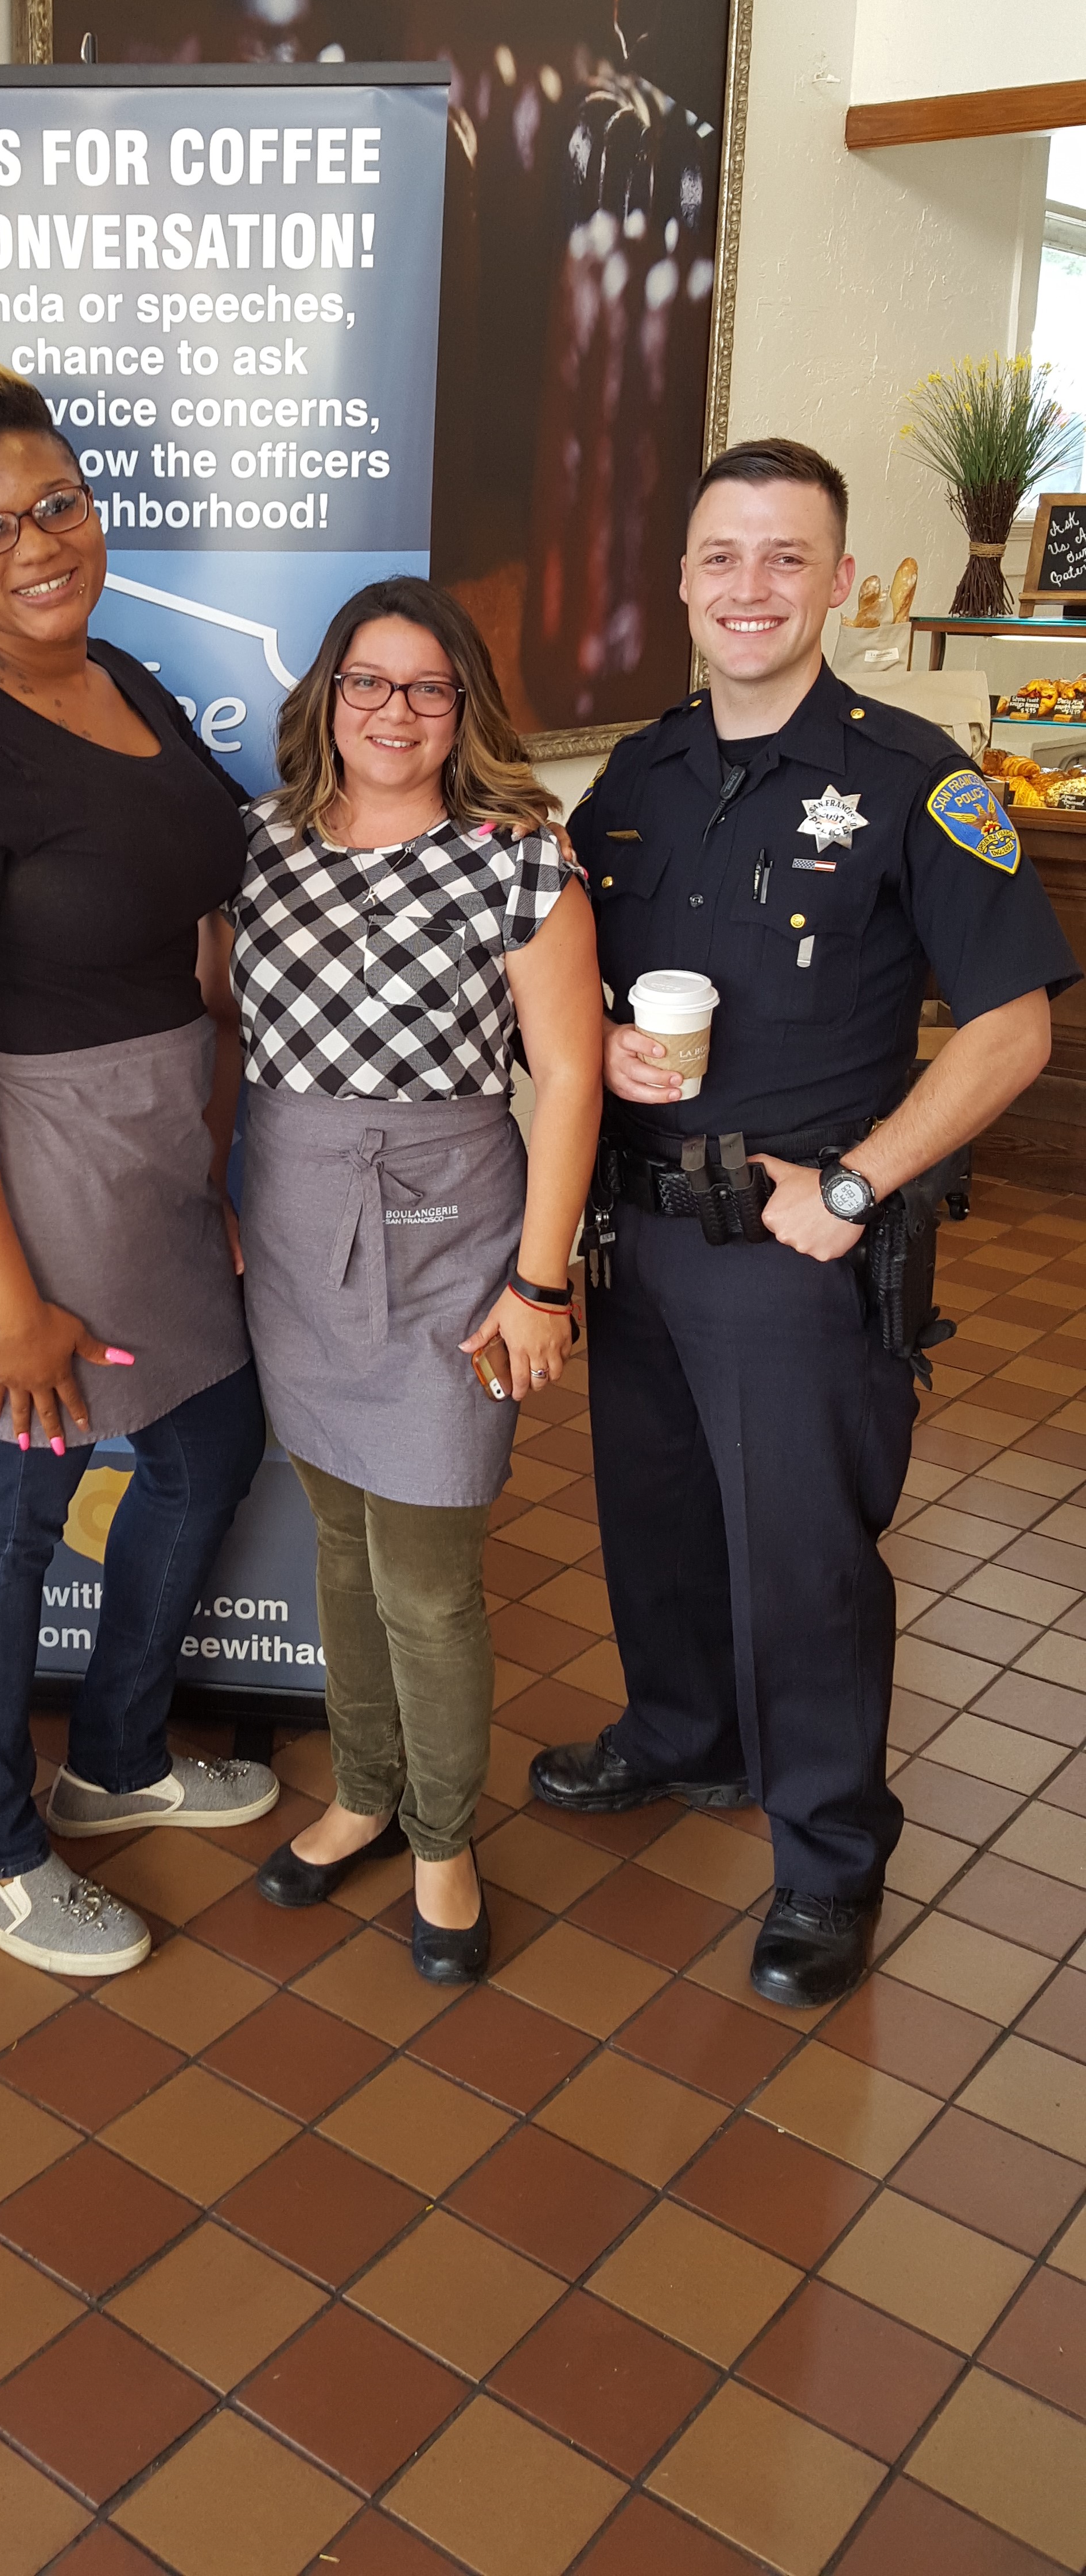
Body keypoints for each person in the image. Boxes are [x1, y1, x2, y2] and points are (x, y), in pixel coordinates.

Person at [538, 436, 1076, 2005]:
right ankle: (678, 1735)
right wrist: (585, 1043)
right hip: (632, 1233)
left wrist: (854, 1188)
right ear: (684, 583)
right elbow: (556, 980)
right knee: (651, 1523)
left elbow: (1009, 1029)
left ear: (838, 583)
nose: (750, 587)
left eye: (786, 559)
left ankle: (829, 1855)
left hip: (794, 1252)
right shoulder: (632, 778)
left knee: (804, 1567)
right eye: (722, 557)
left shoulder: (919, 780)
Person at [0, 356, 272, 1983]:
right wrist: (3, 1298)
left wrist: (223, 1145)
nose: (34, 546)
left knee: (208, 1441)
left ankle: (114, 1759)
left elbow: (204, 914)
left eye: (56, 507)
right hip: (17, 1162)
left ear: (92, 509)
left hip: (154, 1148)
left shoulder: (133, 683)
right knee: (14, 1500)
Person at [234, 577, 603, 1980]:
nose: (396, 711)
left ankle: (443, 1839)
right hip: (294, 1222)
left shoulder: (519, 856)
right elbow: (226, 1028)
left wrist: (542, 1283)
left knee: (430, 1573)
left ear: (466, 711)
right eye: (369, 682)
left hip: (454, 1234)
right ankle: (365, 1796)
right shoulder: (257, 843)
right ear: (328, 694)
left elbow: (567, 1076)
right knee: (338, 1534)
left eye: (428, 688)